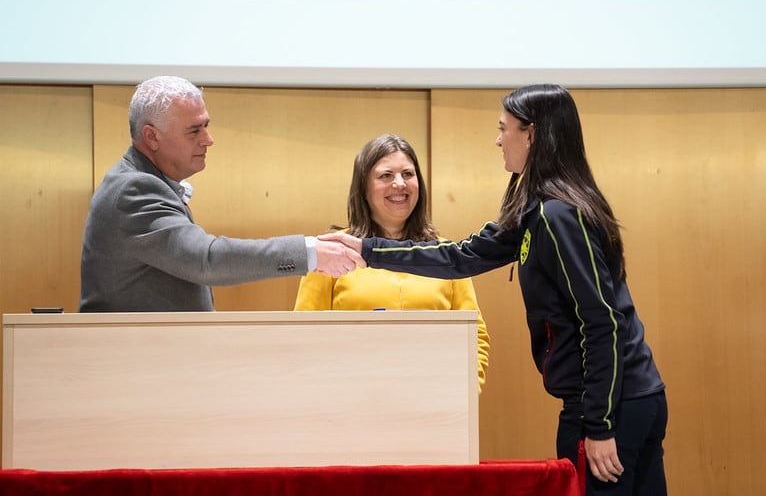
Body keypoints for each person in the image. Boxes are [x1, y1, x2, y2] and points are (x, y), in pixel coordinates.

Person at [320, 85, 668, 495]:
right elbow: (459, 257)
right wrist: (368, 250)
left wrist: (600, 424)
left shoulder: (557, 216)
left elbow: (602, 320)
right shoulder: (538, 211)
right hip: (629, 398)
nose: (499, 139)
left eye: (505, 129)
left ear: (532, 135)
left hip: (612, 405)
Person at [79, 75, 364, 312]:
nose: (208, 140)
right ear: (152, 137)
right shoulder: (134, 189)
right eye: (194, 131)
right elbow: (207, 261)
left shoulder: (147, 182)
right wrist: (309, 252)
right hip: (133, 364)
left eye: (206, 125)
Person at [294, 134, 491, 388]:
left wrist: (463, 392)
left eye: (408, 174)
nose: (399, 184)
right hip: (348, 403)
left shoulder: (446, 254)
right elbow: (303, 333)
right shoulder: (332, 250)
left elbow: (475, 335)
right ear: (363, 188)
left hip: (434, 405)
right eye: (386, 176)